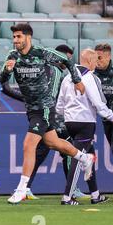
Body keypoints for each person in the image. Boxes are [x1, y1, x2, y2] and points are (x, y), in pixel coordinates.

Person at [0, 23, 95, 204]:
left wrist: (76, 81)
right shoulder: (12, 56)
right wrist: (6, 70)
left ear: (28, 37)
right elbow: (1, 80)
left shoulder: (42, 53)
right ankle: (84, 158)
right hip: (31, 108)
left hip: (44, 107)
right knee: (53, 142)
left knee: (28, 145)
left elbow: (67, 61)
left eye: (19, 37)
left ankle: (22, 189)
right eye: (14, 37)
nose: (15, 41)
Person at [25, 45, 89, 200]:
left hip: (45, 118)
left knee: (38, 154)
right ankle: (72, 189)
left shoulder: (45, 69)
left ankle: (25, 187)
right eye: (65, 58)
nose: (66, 61)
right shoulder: (56, 72)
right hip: (51, 121)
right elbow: (52, 98)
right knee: (67, 151)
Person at [56, 49, 112, 205]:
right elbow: (99, 104)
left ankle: (95, 195)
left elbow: (59, 105)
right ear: (89, 60)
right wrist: (112, 117)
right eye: (95, 60)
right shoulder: (90, 77)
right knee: (79, 158)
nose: (96, 64)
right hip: (85, 123)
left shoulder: (67, 77)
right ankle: (67, 197)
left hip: (69, 122)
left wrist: (69, 113)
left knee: (89, 156)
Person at [94, 43, 113, 161]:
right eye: (95, 57)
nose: (97, 61)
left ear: (108, 56)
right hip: (106, 119)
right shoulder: (92, 74)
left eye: (100, 57)